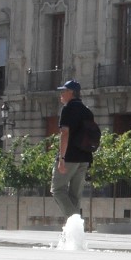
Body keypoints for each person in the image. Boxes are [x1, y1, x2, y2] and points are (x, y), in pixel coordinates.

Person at [50, 79, 94, 219]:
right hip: (85, 158)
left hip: (70, 157)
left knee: (57, 190)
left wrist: (62, 158)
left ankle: (75, 221)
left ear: (71, 93)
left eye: (63, 91)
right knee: (75, 195)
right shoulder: (87, 111)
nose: (61, 94)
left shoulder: (68, 109)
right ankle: (72, 231)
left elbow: (65, 133)